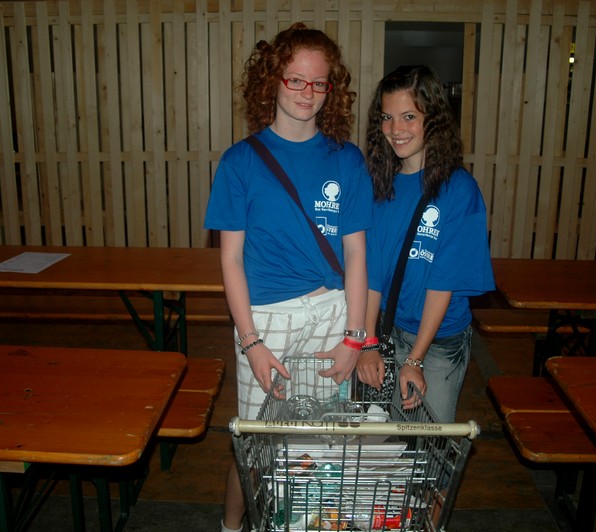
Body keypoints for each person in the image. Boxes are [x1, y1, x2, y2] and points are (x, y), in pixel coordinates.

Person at [203, 23, 372, 532]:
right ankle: (232, 526)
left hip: (332, 315)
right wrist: (250, 341)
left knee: (320, 443)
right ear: (272, 80)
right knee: (255, 443)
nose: (307, 92)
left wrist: (356, 338)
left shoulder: (346, 159)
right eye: (295, 80)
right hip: (267, 321)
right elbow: (231, 261)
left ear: (331, 89)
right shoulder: (239, 162)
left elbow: (357, 254)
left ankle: (306, 524)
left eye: (318, 83)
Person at [357, 65, 494, 422]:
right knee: (387, 435)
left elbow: (442, 282)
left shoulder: (459, 190)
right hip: (389, 331)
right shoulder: (379, 184)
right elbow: (372, 272)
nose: (395, 129)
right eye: (387, 117)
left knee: (429, 441)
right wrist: (368, 342)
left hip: (438, 343)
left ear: (432, 119)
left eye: (409, 117)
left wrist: (415, 359)